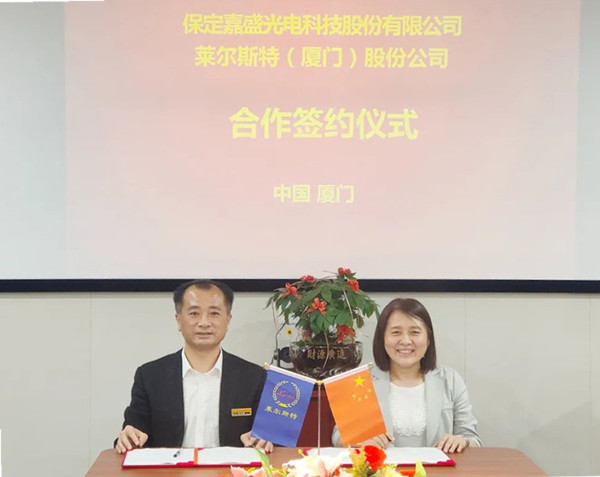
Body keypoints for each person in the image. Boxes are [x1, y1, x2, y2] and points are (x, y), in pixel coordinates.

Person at [115, 279, 273, 453]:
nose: (204, 322)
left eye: (214, 313)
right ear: (178, 320)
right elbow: (133, 430)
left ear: (228, 320)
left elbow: (268, 438)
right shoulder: (150, 376)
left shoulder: (254, 377)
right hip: (169, 468)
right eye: (194, 313)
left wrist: (263, 439)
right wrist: (129, 437)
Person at [333, 298, 481, 453]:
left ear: (428, 339)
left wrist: (462, 441)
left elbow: (473, 439)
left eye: (415, 332)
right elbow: (338, 436)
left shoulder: (450, 380)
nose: (405, 341)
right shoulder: (361, 382)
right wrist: (359, 441)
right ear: (382, 338)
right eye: (395, 332)